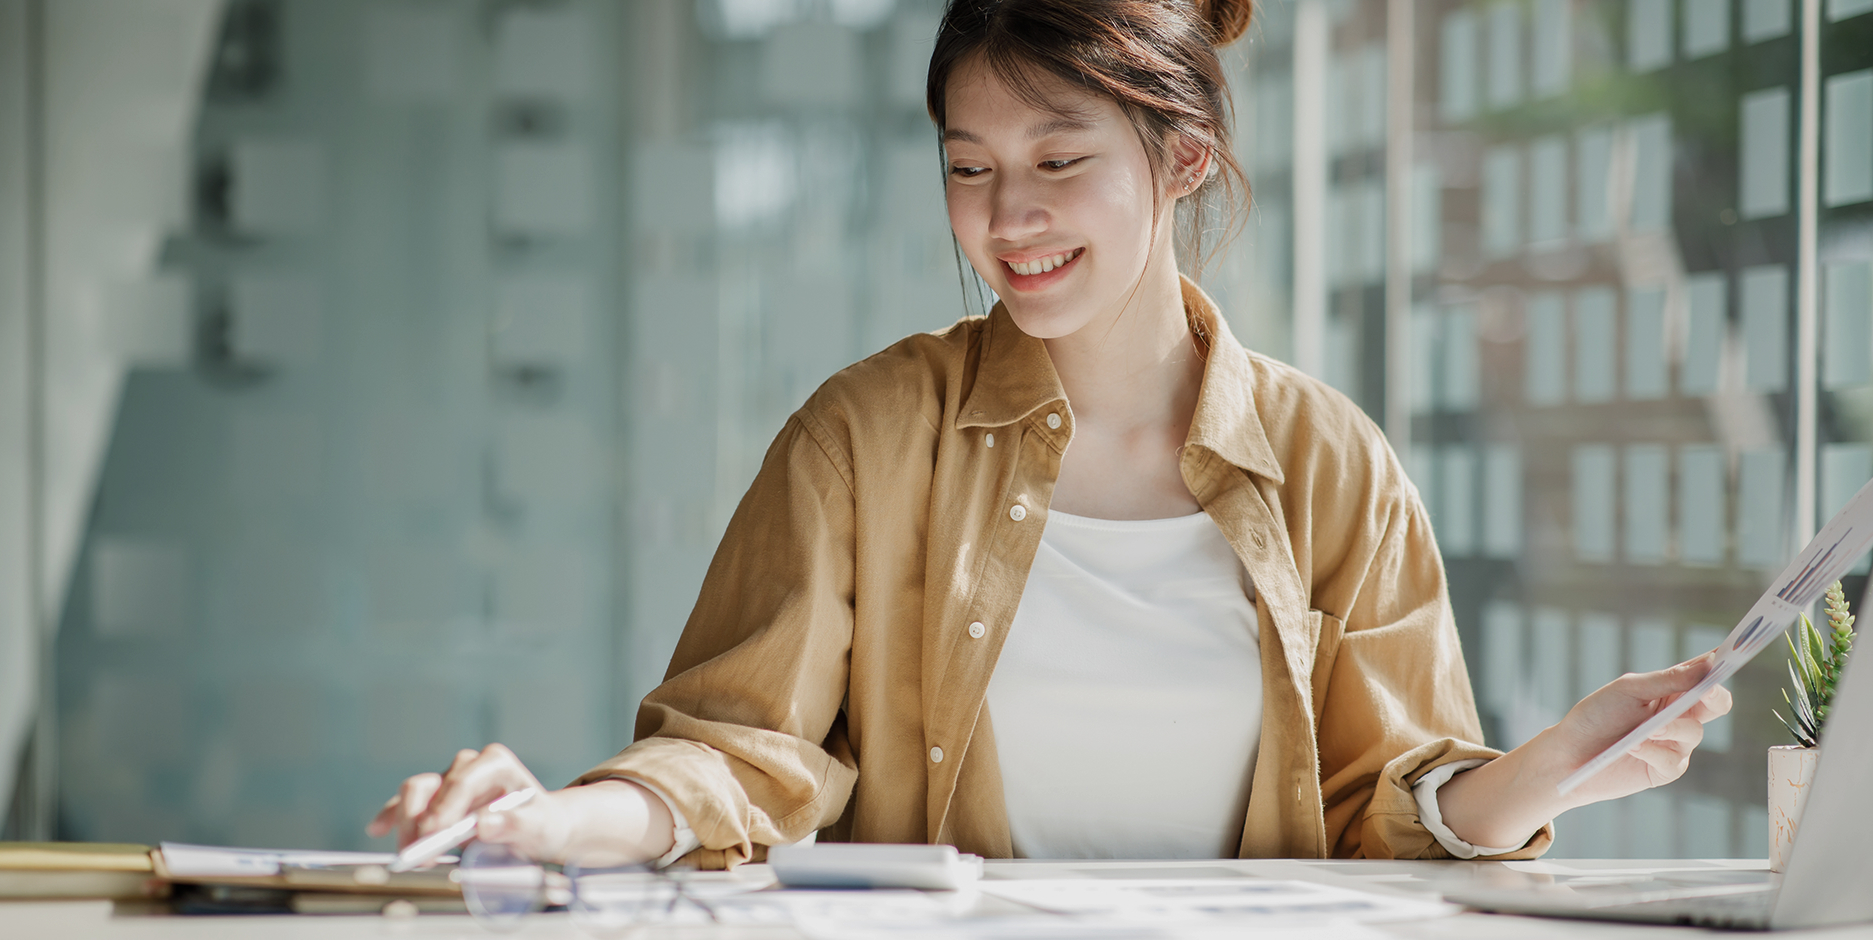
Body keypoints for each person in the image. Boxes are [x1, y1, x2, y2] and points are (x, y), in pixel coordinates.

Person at [370, 0, 1731, 867]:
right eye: (970, 168)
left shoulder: (1331, 463)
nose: (1006, 218)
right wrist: (552, 824)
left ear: (1181, 159)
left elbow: (1393, 807)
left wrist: (1552, 765)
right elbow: (739, 749)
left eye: (1058, 161)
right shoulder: (865, 435)